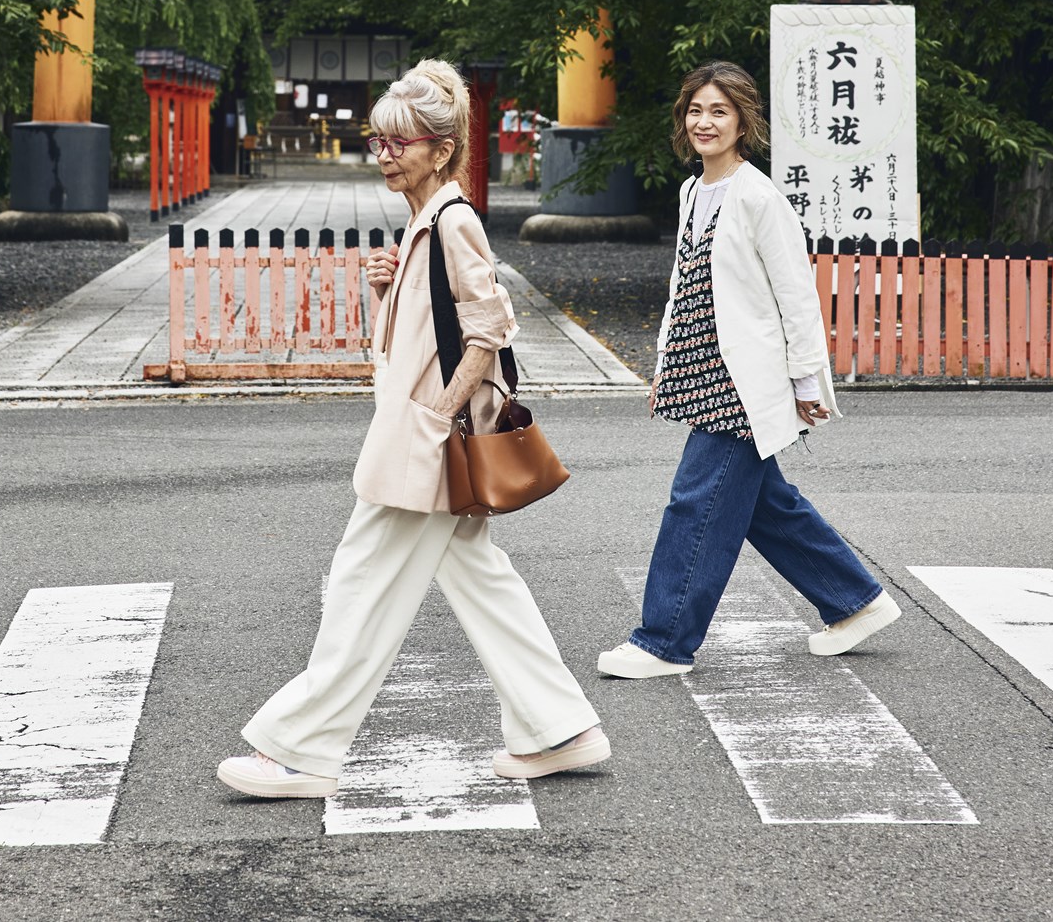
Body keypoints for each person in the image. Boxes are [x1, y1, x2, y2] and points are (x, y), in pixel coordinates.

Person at [219, 58, 609, 798]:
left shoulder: (454, 219)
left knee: (361, 587)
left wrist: (435, 416)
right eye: (380, 140)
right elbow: (430, 332)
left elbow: (491, 327)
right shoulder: (427, 219)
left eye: (402, 143)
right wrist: (387, 288)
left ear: (441, 148)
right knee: (480, 581)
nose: (386, 155)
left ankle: (303, 751)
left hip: (425, 442)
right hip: (421, 436)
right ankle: (562, 729)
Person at [598, 60, 900, 680]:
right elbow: (688, 285)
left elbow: (796, 295)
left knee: (695, 503)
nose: (705, 122)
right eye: (696, 110)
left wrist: (808, 385)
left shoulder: (759, 195)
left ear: (742, 121)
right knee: (765, 504)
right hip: (698, 368)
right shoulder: (691, 191)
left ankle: (664, 641)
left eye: (720, 111)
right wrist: (666, 364)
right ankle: (855, 601)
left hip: (741, 380)